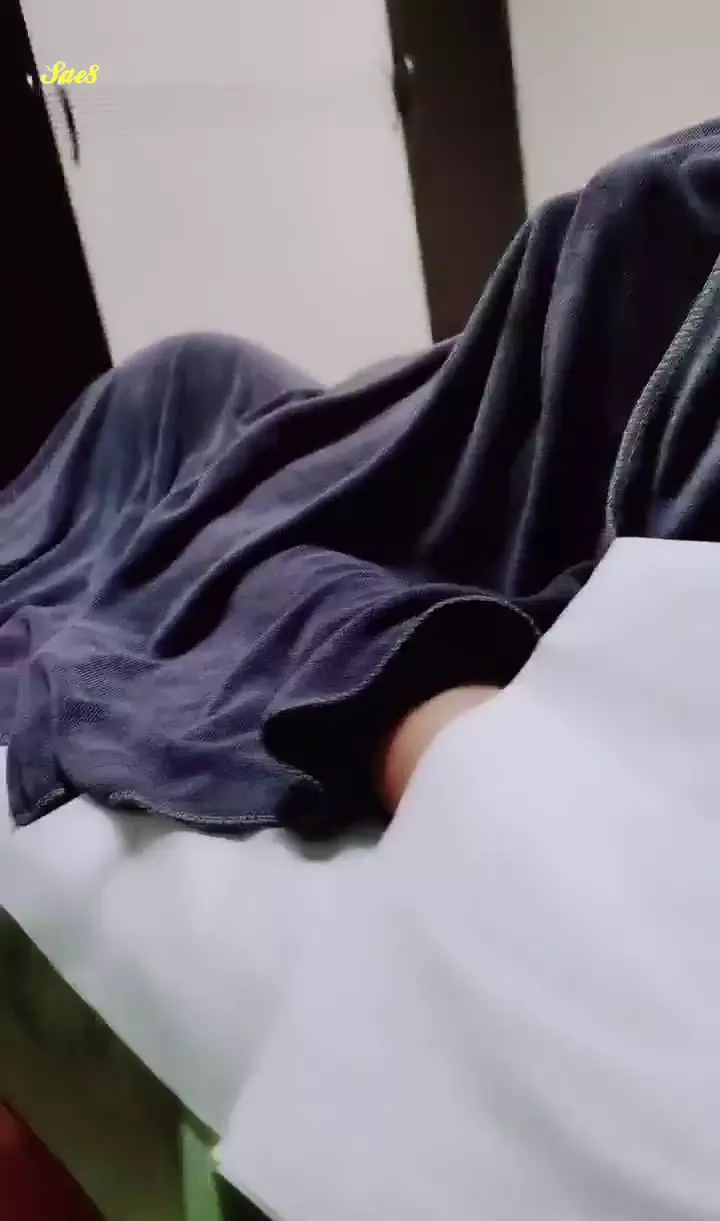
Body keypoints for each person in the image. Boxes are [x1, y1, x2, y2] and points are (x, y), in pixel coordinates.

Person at [3, 119, 720, 836]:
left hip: (293, 434)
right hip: (229, 421)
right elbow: (259, 569)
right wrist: (435, 723)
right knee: (173, 422)